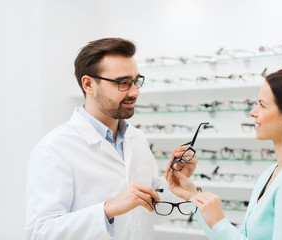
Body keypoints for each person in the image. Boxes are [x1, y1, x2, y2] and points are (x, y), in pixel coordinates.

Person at [25, 38, 197, 240]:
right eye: (122, 83)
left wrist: (176, 183)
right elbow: (40, 233)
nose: (134, 92)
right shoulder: (54, 148)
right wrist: (107, 210)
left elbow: (150, 212)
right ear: (89, 84)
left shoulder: (137, 138)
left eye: (136, 81)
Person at [166, 68, 282, 240]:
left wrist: (220, 223)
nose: (253, 112)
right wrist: (193, 196)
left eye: (262, 105)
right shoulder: (271, 173)